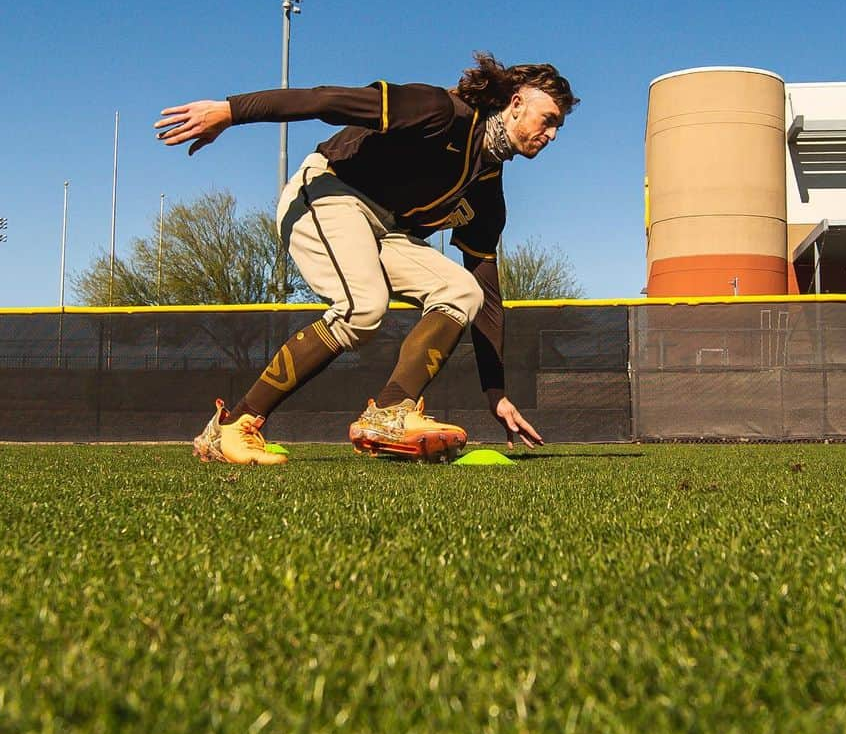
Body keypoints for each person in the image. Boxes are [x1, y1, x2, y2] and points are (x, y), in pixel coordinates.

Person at [155, 52, 579, 465]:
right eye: (550, 120)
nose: (553, 134)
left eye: (559, 126)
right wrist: (230, 111)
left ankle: (390, 412)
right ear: (517, 103)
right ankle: (234, 425)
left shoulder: (486, 185)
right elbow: (327, 100)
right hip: (327, 188)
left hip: (385, 226)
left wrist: (495, 391)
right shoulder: (439, 110)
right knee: (363, 307)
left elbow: (485, 290)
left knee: (460, 291)